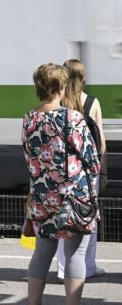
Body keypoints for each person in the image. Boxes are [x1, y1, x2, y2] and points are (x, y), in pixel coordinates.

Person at [23, 63, 100, 305]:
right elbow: (92, 160)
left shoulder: (29, 119)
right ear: (61, 88)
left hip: (43, 196)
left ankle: (33, 303)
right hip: (73, 198)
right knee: (75, 252)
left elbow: (29, 157)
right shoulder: (72, 118)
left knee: (42, 252)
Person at [57, 59, 108, 280]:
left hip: (63, 169)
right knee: (89, 218)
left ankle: (63, 269)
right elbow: (101, 142)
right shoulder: (93, 102)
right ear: (83, 77)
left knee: (63, 217)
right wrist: (103, 172)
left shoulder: (59, 102)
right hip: (88, 170)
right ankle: (88, 266)